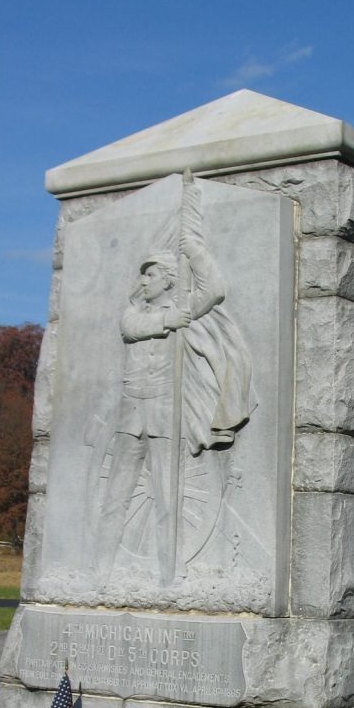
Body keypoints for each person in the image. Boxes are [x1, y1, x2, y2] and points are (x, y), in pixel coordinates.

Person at [95, 239, 254, 584]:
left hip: (165, 415)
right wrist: (170, 319)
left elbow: (215, 289)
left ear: (168, 279)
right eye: (143, 275)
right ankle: (100, 571)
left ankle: (170, 574)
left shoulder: (186, 308)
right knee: (116, 497)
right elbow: (130, 329)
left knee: (168, 500)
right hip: (131, 417)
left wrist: (194, 250)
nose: (143, 281)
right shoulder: (136, 312)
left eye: (151, 275)